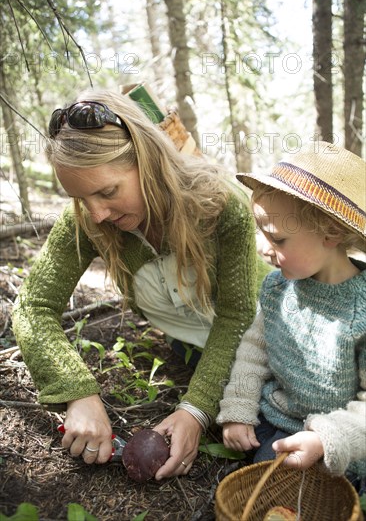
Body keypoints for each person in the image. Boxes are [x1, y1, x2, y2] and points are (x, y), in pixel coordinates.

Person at [12, 88, 271, 479]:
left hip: (268, 323)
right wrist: (76, 391)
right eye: (81, 198)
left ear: (146, 161)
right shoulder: (87, 217)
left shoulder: (218, 203)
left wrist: (195, 409)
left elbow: (237, 315)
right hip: (193, 342)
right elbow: (32, 306)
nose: (96, 213)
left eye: (107, 191)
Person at [217, 141, 366, 488]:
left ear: (331, 233)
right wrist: (238, 410)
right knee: (270, 483)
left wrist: (326, 439)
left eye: (278, 239)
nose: (261, 246)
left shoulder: (361, 309)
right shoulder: (276, 289)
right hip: (280, 421)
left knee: (326, 491)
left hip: (342, 436)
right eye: (261, 231)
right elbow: (255, 353)